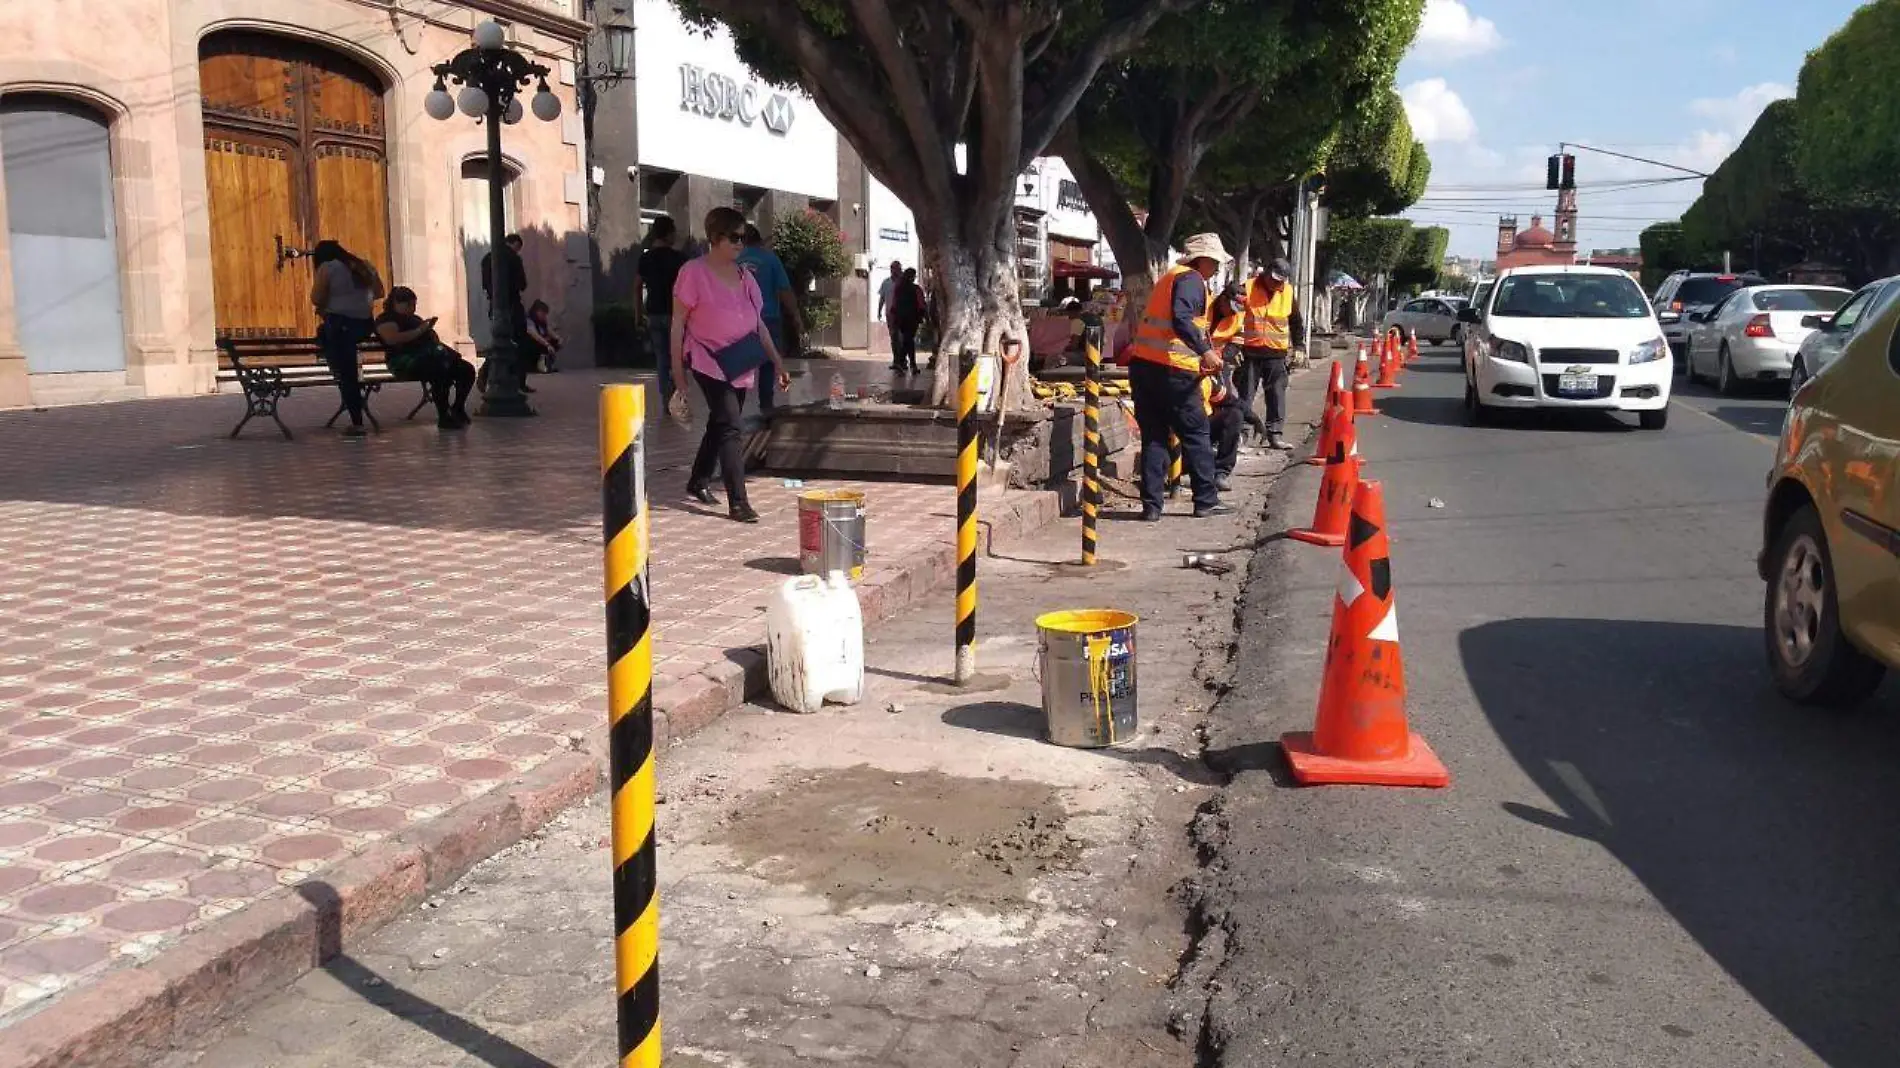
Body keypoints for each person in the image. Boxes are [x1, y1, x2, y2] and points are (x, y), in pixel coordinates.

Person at [671, 207, 792, 524]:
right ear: (715, 238)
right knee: (730, 426)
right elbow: (677, 324)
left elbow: (759, 326)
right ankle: (738, 501)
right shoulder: (692, 273)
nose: (741, 244)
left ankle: (698, 480)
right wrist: (678, 374)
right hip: (707, 359)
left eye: (744, 237)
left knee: (721, 422)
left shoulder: (746, 278)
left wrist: (778, 363)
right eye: (735, 237)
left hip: (741, 362)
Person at [1123, 232, 1233, 520]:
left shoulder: (1170, 278)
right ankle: (1205, 500)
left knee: (1154, 437)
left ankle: (1151, 507)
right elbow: (1182, 319)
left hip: (1145, 368)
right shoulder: (1191, 280)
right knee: (1196, 434)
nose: (1217, 269)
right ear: (1204, 260)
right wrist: (1205, 352)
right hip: (1174, 371)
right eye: (1215, 262)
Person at [308, 240, 384, 437]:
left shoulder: (328, 267)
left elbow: (316, 298)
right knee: (347, 368)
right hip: (364, 325)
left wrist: (335, 301)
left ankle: (357, 422)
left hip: (341, 326)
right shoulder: (364, 265)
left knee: (347, 374)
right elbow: (379, 293)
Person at [1228, 257, 1304, 450]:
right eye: (1274, 279)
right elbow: (1233, 318)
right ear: (1266, 272)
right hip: (1250, 353)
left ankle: (1275, 434)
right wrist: (1234, 345)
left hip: (1276, 354)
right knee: (1245, 396)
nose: (1276, 284)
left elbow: (1296, 322)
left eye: (1280, 281)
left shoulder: (1287, 292)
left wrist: (1300, 347)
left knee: (1277, 395)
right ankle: (1241, 434)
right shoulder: (1248, 287)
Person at [374, 286, 476, 429]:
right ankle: (443, 416)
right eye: (408, 304)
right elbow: (392, 339)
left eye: (414, 304)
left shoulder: (415, 319)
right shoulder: (386, 319)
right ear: (395, 303)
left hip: (428, 356)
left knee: (466, 369)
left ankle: (458, 407)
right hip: (404, 361)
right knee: (438, 370)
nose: (412, 308)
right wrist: (420, 330)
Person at [738, 223, 802, 414]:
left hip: (740, 321)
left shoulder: (734, 259)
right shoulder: (770, 259)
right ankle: (766, 406)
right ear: (760, 241)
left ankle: (736, 407)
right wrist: (796, 315)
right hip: (768, 318)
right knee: (767, 365)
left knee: (739, 365)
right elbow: (784, 290)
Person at [634, 216, 685, 402]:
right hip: (675, 314)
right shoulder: (679, 259)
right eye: (674, 232)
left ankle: (666, 398)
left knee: (661, 358)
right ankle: (679, 395)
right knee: (677, 356)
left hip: (654, 313)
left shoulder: (645, 258)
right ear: (669, 233)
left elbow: (637, 286)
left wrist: (638, 315)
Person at [478, 233, 533, 395]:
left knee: (500, 340)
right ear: (514, 243)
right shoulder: (514, 259)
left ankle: (489, 375)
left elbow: (485, 284)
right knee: (519, 342)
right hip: (512, 305)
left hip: (495, 305)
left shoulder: (487, 258)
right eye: (518, 247)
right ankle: (516, 380)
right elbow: (522, 284)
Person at [888, 268, 925, 374]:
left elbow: (894, 304)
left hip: (900, 319)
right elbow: (921, 304)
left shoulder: (898, 288)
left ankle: (903, 363)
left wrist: (894, 317)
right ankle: (908, 363)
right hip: (912, 319)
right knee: (909, 340)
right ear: (912, 277)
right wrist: (923, 316)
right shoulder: (916, 289)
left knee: (907, 340)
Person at [524, 300, 564, 373]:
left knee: (555, 342)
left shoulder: (542, 322)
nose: (544, 316)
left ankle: (547, 364)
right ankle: (536, 365)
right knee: (537, 343)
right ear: (537, 312)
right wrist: (547, 344)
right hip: (531, 344)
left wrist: (558, 338)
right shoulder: (529, 320)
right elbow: (534, 335)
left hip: (541, 343)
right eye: (543, 313)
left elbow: (549, 330)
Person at [876, 259, 903, 358]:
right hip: (890, 314)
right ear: (891, 270)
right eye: (894, 268)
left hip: (902, 314)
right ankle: (896, 359)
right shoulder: (886, 282)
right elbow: (882, 298)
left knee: (901, 337)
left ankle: (902, 359)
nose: (897, 271)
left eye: (898, 268)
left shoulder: (904, 282)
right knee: (893, 337)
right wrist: (879, 311)